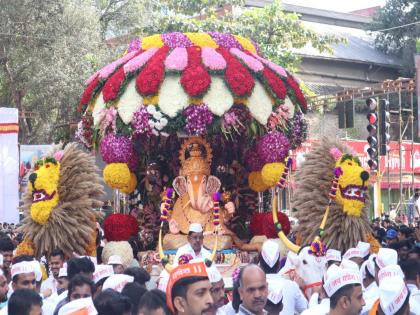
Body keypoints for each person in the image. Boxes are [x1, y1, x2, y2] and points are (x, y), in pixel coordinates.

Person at [258, 240, 307, 315]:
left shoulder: (252, 287)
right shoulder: (292, 285)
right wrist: (300, 288)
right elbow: (305, 309)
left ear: (260, 264)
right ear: (279, 264)